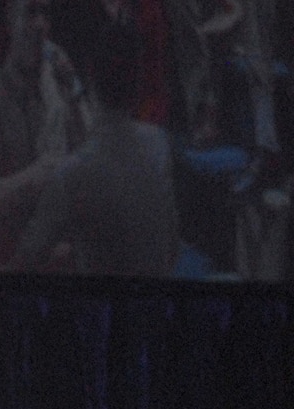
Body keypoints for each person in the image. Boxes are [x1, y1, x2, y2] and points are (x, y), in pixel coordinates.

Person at [15, 16, 180, 275]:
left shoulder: (70, 175)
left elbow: (26, 258)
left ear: (91, 73)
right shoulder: (159, 143)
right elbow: (170, 252)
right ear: (138, 80)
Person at [0, 0, 94, 268]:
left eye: (46, 13)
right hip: (18, 261)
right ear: (11, 19)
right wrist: (40, 175)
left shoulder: (61, 85)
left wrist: (75, 94)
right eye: (30, 12)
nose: (40, 25)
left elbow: (93, 168)